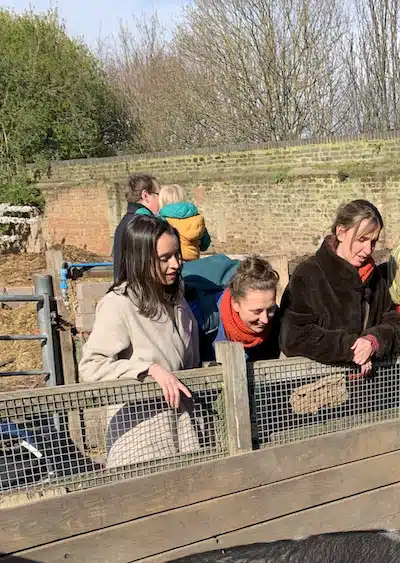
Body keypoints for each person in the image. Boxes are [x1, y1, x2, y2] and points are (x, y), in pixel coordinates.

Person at [79, 216, 202, 469]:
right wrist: (147, 369)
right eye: (164, 258)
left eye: (176, 255)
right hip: (140, 440)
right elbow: (91, 367)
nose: (176, 264)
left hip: (184, 430)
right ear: (141, 259)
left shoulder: (175, 297)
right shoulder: (118, 304)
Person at [280, 199, 400, 374]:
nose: (368, 250)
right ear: (341, 232)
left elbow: (392, 320)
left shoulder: (374, 277)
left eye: (373, 242)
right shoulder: (308, 274)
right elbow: (294, 336)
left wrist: (373, 340)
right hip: (321, 389)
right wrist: (351, 348)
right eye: (362, 239)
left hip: (372, 390)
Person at [214, 256, 280, 360]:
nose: (265, 320)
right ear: (236, 304)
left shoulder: (278, 321)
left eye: (270, 309)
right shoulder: (207, 324)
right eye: (257, 311)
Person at [112, 173, 160, 267]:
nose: (160, 200)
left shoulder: (125, 222)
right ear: (146, 196)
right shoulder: (145, 224)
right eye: (158, 194)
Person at [157, 184, 211, 262]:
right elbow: (205, 244)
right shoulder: (196, 218)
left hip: (170, 262)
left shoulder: (161, 220)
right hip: (193, 263)